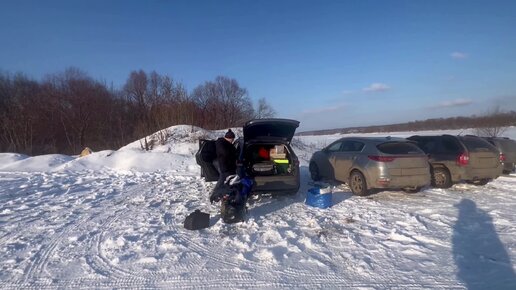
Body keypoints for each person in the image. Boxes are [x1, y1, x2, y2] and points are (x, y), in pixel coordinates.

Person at [209, 129, 237, 202]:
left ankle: (218, 194)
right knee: (222, 179)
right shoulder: (221, 143)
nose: (233, 140)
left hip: (226, 164)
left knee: (224, 179)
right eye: (232, 139)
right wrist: (232, 154)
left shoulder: (227, 143)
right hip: (223, 164)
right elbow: (224, 153)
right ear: (229, 138)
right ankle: (214, 195)